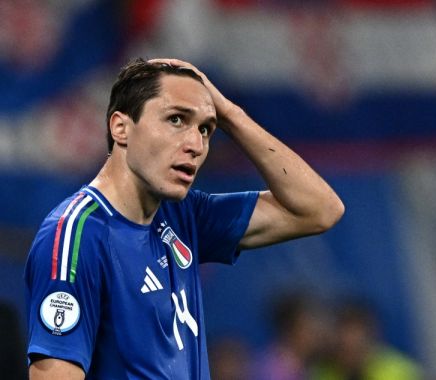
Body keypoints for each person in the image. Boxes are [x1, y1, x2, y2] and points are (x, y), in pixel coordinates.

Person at [24, 57, 344, 379]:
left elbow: (319, 210)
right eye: (176, 119)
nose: (195, 144)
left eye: (206, 129)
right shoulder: (77, 236)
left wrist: (231, 116)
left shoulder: (184, 215)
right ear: (120, 127)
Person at [312, 299, 422, 380]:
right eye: (342, 347)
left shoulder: (401, 373)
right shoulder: (323, 373)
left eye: (356, 347)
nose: (349, 354)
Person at [253, 292, 329, 380]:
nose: (316, 333)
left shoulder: (311, 367)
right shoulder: (269, 368)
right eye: (308, 327)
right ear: (290, 329)